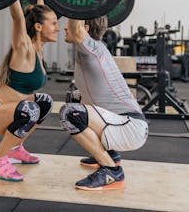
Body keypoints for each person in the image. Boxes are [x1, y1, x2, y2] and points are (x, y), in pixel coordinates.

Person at [0, 0, 59, 182]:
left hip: (7, 111)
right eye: (54, 23)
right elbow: (19, 18)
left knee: (45, 102)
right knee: (31, 109)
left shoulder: (38, 51)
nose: (57, 27)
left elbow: (37, 15)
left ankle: (15, 150)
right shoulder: (24, 49)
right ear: (38, 27)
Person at [60, 16, 148, 191]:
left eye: (69, 24)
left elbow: (76, 28)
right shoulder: (90, 49)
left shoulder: (93, 48)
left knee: (70, 113)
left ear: (84, 28)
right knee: (74, 98)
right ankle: (110, 154)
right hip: (123, 123)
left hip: (129, 128)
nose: (65, 28)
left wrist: (76, 0)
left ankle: (112, 171)